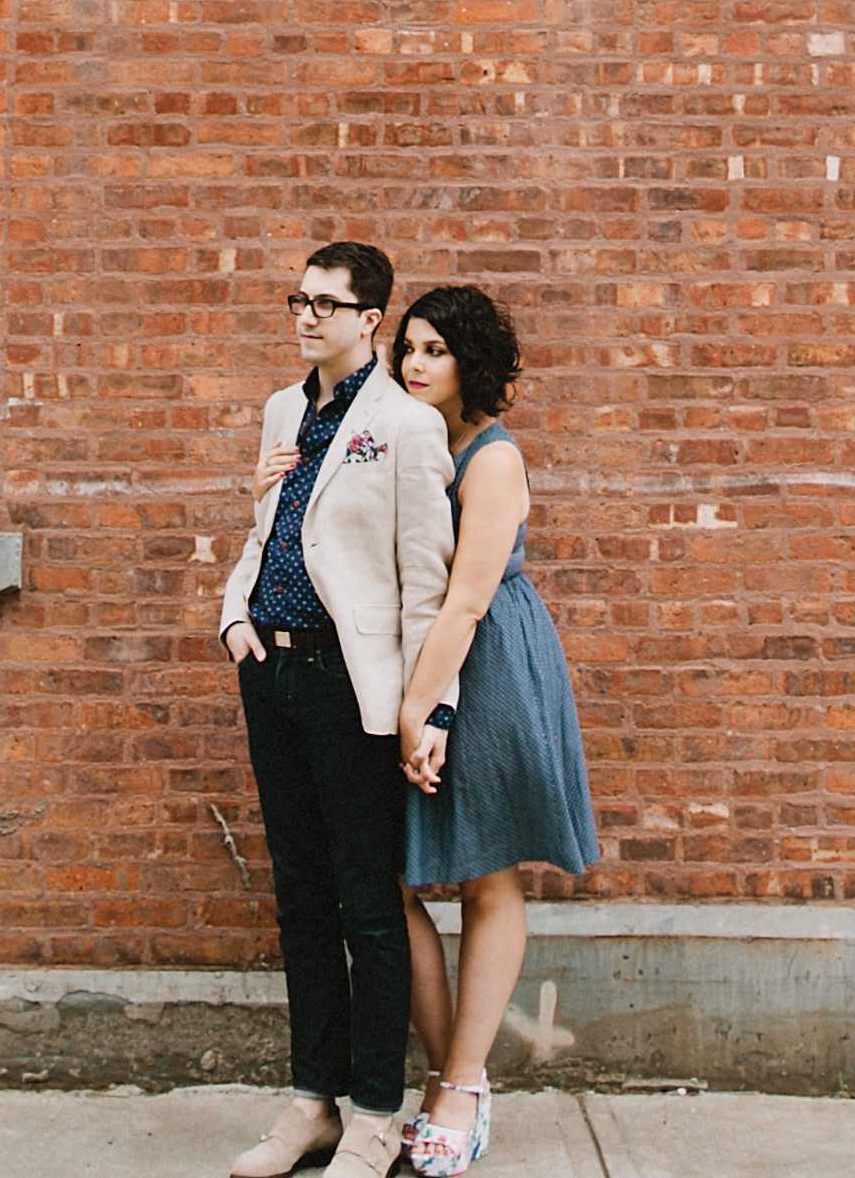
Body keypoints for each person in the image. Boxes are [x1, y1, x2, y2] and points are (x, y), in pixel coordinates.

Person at [216, 239, 460, 1178]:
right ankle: (311, 1100)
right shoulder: (285, 407)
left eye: (327, 302)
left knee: (368, 904)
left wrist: (427, 708)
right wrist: (236, 614)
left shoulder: (403, 425)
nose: (307, 314)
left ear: (370, 320)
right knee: (300, 898)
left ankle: (374, 1114)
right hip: (269, 675)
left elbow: (425, 585)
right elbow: (267, 527)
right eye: (298, 299)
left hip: (351, 687)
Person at [385, 285, 596, 1178]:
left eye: (435, 349)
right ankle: (448, 1075)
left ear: (472, 361)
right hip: (427, 663)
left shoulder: (492, 460)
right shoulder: (412, 439)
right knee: (387, 884)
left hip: (490, 670)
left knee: (487, 872)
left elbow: (469, 598)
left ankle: (462, 1088)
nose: (415, 364)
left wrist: (419, 709)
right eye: (410, 348)